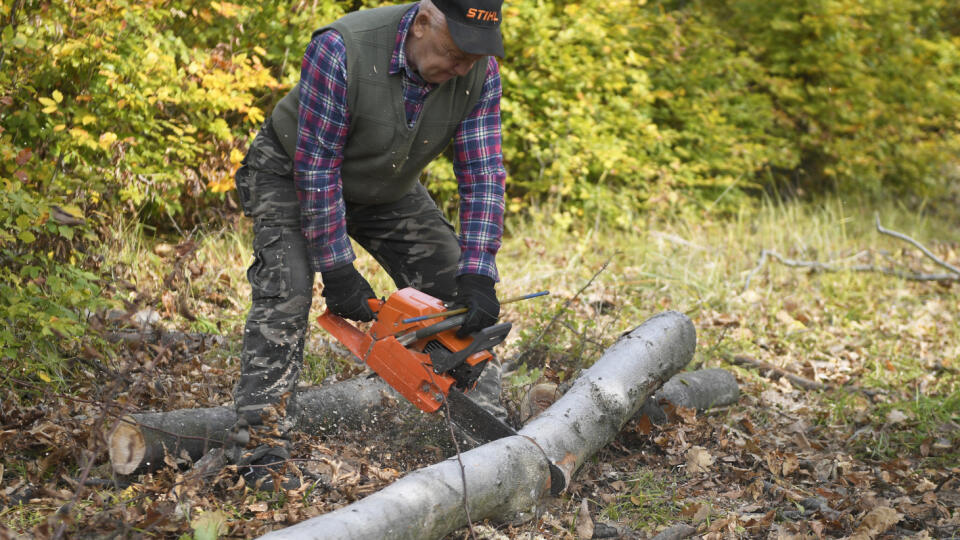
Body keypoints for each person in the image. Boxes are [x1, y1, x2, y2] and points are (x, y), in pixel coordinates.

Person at [228, 0, 509, 490]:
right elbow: (317, 166)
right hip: (292, 173)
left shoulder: (480, 73)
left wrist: (478, 272)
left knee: (451, 282)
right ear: (424, 22)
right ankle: (261, 454)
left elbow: (483, 174)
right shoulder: (342, 49)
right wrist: (337, 269)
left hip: (386, 187)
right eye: (454, 51)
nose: (462, 66)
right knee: (287, 292)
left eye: (474, 56)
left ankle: (485, 438)